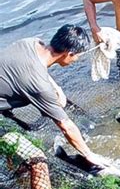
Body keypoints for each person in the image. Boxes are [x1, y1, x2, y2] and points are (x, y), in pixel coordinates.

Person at [0, 24, 109, 169]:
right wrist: (89, 154)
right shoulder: (39, 86)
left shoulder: (31, 42)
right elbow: (66, 126)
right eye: (77, 55)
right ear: (69, 53)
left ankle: (13, 166)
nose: (76, 59)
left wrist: (56, 88)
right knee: (38, 162)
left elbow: (38, 67)